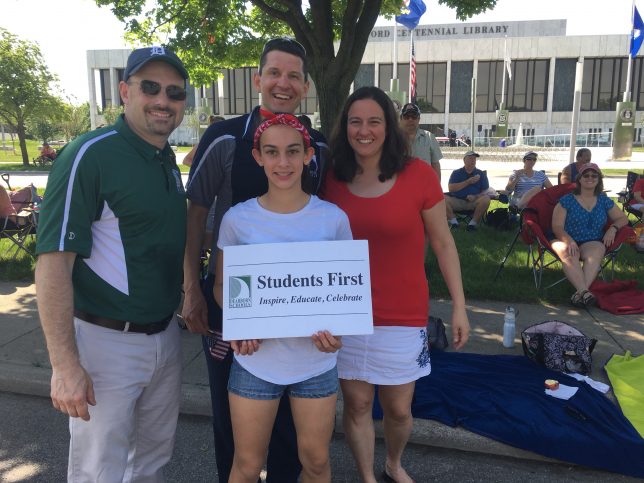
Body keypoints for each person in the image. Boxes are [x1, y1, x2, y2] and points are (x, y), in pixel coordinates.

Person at [34, 46, 189, 480]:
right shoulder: (90, 154)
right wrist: (65, 366)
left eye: (175, 93)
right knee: (98, 468)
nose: (163, 100)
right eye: (150, 88)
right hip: (106, 344)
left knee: (152, 463)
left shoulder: (164, 159)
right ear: (124, 91)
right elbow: (52, 265)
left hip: (164, 337)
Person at [182, 37, 329, 483]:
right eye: (274, 73)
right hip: (229, 302)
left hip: (296, 305)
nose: (283, 83)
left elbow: (320, 225)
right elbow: (195, 214)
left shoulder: (316, 147)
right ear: (258, 78)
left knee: (289, 424)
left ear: (305, 85)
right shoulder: (225, 137)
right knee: (233, 424)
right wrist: (191, 290)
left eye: (293, 76)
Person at [324, 86, 470, 483]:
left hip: (403, 313)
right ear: (345, 127)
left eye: (374, 121)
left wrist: (459, 305)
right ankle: (368, 476)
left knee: (399, 409)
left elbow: (443, 242)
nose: (364, 130)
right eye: (356, 121)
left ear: (388, 127)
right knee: (355, 404)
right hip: (348, 312)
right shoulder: (331, 178)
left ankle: (393, 462)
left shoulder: (418, 175)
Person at [215, 114, 349, 483]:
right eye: (272, 152)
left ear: (308, 154)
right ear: (258, 157)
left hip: (315, 362)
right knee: (246, 464)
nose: (283, 163)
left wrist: (339, 331)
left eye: (293, 152)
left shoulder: (333, 219)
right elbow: (222, 287)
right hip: (256, 361)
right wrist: (239, 323)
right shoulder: (237, 219)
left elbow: (344, 290)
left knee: (317, 463)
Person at [551, 163, 629, 307]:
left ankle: (580, 293)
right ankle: (584, 292)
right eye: (586, 175)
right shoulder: (567, 200)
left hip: (591, 241)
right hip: (565, 238)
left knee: (598, 250)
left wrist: (613, 228)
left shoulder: (604, 201)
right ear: (579, 179)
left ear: (599, 179)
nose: (590, 178)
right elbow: (557, 227)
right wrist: (569, 240)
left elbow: (623, 218)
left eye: (594, 175)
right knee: (567, 252)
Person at [445, 150, 491, 231]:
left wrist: (475, 196)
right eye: (470, 158)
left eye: (474, 158)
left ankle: (472, 224)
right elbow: (451, 188)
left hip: (474, 201)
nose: (473, 160)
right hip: (457, 200)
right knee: (441, 199)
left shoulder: (481, 174)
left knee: (486, 199)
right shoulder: (456, 173)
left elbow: (486, 191)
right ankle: (454, 223)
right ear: (464, 160)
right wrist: (468, 182)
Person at [399, 102, 443, 181]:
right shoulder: (393, 140)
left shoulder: (429, 138)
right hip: (400, 189)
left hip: (424, 189)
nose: (410, 119)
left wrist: (436, 189)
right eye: (406, 116)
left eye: (414, 116)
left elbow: (435, 165)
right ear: (401, 119)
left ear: (419, 119)